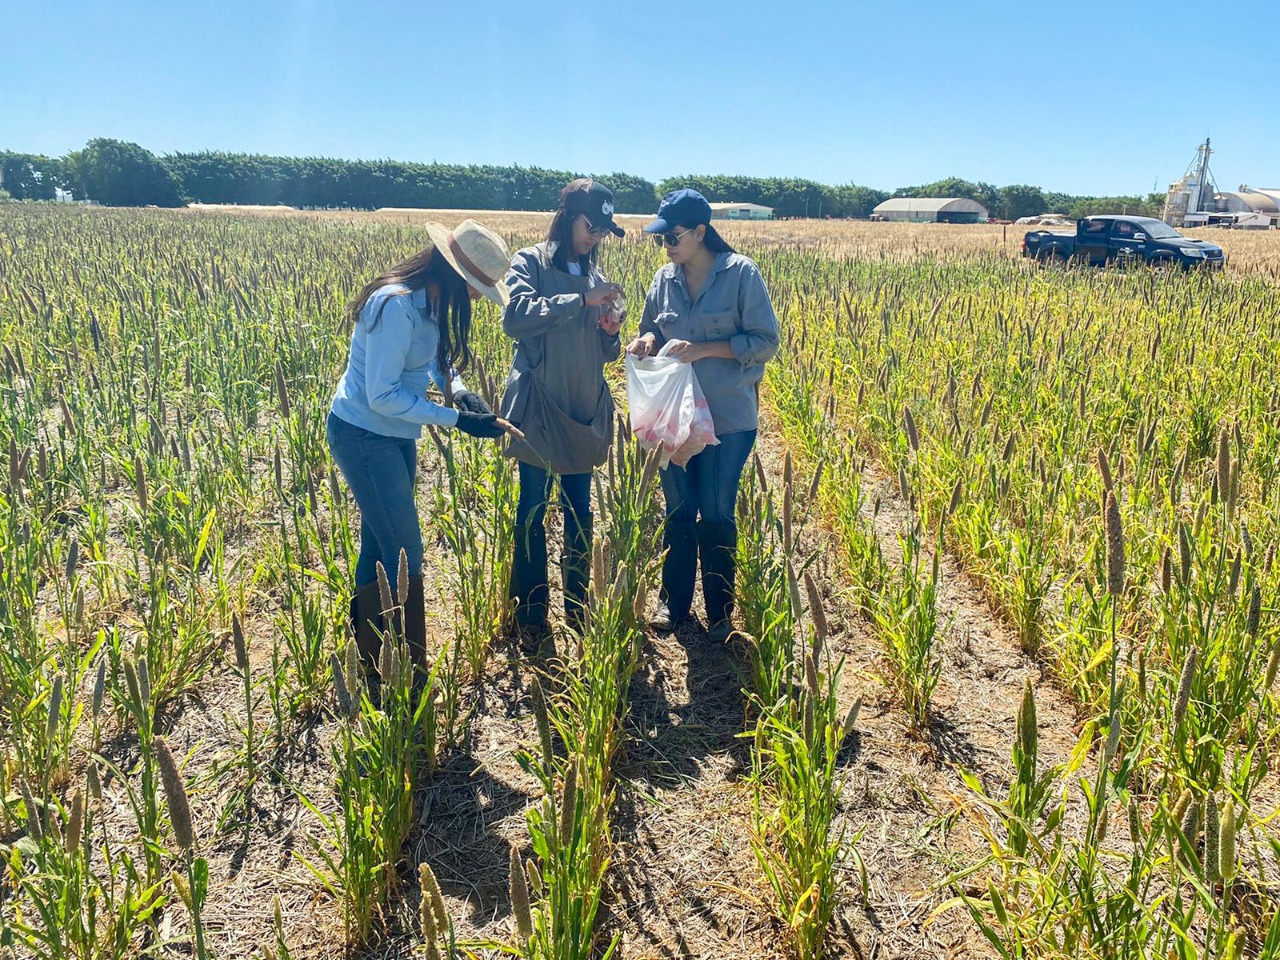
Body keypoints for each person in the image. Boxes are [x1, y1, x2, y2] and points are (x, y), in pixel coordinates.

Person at [328, 219, 511, 675]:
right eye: (473, 287)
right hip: (365, 435)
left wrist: (461, 392)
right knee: (406, 551)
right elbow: (382, 395)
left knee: (380, 543)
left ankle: (371, 660)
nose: (473, 297)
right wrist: (455, 420)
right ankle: (405, 670)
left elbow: (432, 361)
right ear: (452, 273)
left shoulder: (429, 304)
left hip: (395, 436)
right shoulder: (395, 306)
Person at [627, 189, 780, 643]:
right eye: (660, 239)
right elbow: (651, 326)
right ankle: (672, 604)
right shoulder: (663, 279)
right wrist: (646, 343)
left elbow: (765, 341)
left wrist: (705, 350)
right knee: (677, 511)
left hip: (727, 420)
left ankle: (719, 613)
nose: (666, 246)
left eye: (673, 237)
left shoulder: (740, 275)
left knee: (714, 513)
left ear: (699, 231)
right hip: (673, 419)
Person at [500, 179, 626, 644]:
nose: (595, 236)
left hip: (581, 408)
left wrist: (610, 331)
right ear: (567, 215)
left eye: (603, 230)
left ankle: (578, 605)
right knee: (531, 509)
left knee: (580, 511)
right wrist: (580, 300)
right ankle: (531, 615)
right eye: (590, 225)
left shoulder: (594, 276)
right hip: (538, 405)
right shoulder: (530, 261)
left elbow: (605, 353)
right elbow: (516, 315)